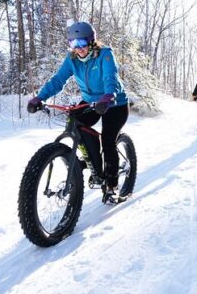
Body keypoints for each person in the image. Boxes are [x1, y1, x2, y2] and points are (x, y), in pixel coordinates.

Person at [27, 21, 128, 196]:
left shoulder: (105, 55)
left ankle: (111, 185)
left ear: (91, 42)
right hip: (90, 102)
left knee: (108, 139)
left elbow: (110, 78)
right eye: (73, 44)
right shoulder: (72, 60)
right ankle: (92, 161)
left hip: (114, 103)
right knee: (74, 120)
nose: (78, 48)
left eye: (82, 43)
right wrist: (39, 98)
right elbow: (58, 80)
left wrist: (108, 95)